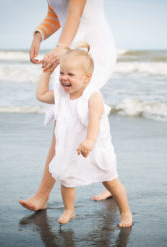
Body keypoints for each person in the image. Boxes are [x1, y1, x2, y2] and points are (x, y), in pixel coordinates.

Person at [19, 0, 115, 212]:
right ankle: (110, 180)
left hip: (91, 47)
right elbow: (56, 15)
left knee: (67, 118)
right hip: (70, 46)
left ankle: (42, 195)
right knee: (74, 119)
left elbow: (75, 14)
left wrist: (61, 47)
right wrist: (38, 35)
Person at [36, 43, 132, 227]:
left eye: (70, 74)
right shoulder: (62, 94)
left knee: (110, 180)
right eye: (62, 73)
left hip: (95, 146)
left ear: (87, 78)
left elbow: (94, 121)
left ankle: (126, 212)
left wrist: (89, 141)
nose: (64, 78)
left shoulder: (93, 96)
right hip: (70, 146)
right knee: (66, 177)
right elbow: (41, 95)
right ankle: (69, 210)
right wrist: (47, 72)